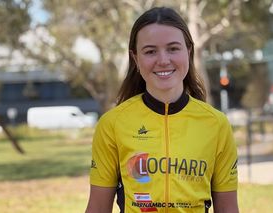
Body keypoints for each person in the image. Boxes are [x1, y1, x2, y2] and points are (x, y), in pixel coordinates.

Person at [85, 6, 239, 213]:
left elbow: (229, 209)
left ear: (188, 51)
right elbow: (97, 208)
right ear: (135, 58)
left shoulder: (216, 124)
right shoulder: (112, 124)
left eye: (173, 48)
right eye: (150, 51)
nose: (163, 60)